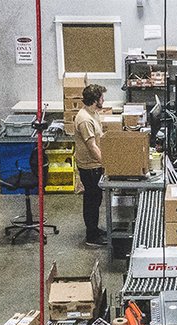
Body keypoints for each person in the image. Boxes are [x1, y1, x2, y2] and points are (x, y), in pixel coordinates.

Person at [74, 83, 108, 247]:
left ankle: (95, 229)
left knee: (96, 198)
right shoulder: (85, 119)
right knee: (92, 201)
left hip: (95, 165)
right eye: (102, 97)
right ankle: (91, 236)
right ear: (95, 100)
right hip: (89, 167)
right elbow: (92, 147)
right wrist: (106, 164)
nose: (103, 100)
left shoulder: (93, 113)